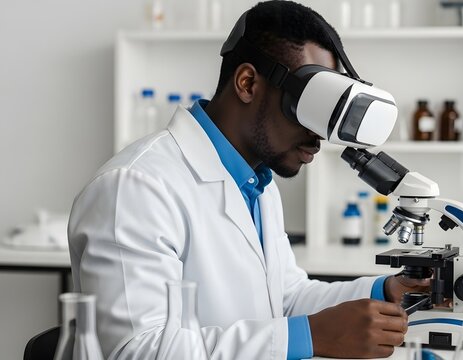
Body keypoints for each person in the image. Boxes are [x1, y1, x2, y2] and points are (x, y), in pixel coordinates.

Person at [68, 1, 428, 359]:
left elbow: (285, 299)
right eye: (309, 108)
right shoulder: (135, 187)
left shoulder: (258, 185)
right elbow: (137, 350)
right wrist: (310, 336)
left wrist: (385, 292)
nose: (319, 136)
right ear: (247, 83)